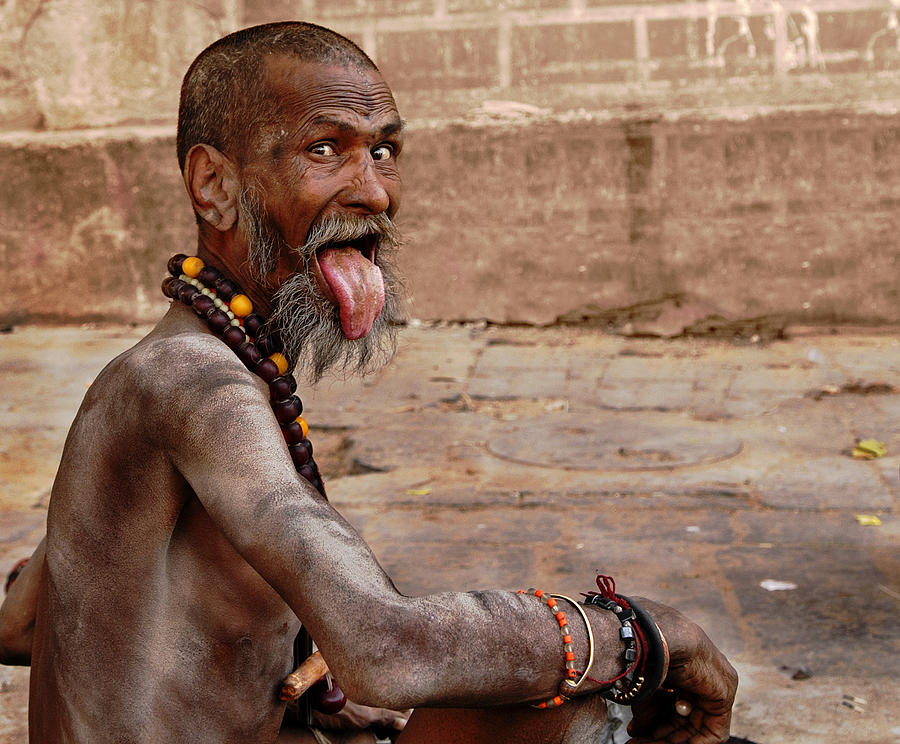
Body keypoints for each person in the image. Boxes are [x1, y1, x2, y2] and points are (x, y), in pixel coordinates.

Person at [0, 21, 737, 744]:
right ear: (214, 185)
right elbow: (389, 650)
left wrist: (292, 664)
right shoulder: (189, 383)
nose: (375, 194)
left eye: (383, 150)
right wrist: (644, 631)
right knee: (582, 692)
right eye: (326, 150)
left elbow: (23, 622)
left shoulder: (203, 365)